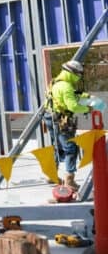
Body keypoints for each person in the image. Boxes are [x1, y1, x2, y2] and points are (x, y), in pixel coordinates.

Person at [48, 59, 93, 191]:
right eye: (78, 74)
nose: (79, 77)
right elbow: (72, 106)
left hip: (50, 116)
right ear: (72, 73)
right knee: (71, 148)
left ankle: (51, 174)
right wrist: (88, 109)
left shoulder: (56, 82)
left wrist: (83, 95)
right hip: (62, 120)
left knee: (56, 146)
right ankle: (69, 180)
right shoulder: (66, 86)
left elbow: (66, 97)